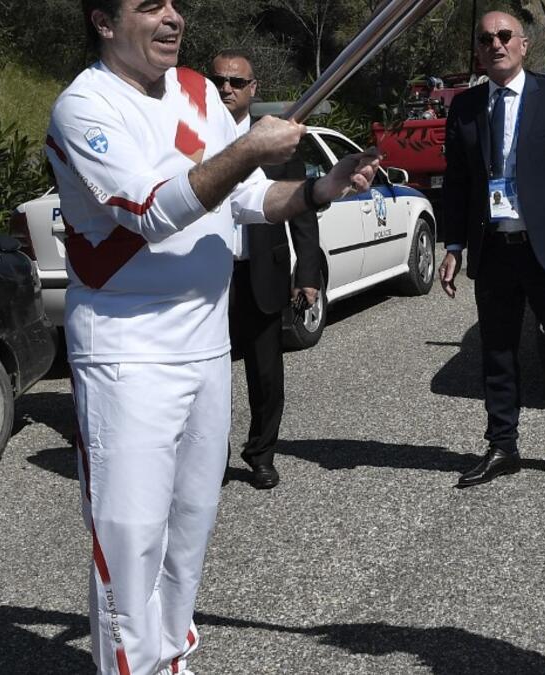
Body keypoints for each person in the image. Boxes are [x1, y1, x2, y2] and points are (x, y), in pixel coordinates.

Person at [47, 1, 377, 673]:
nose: (173, 18)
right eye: (149, 7)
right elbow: (148, 210)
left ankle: (171, 657)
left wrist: (319, 188)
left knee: (190, 527)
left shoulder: (198, 91)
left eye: (176, 6)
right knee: (130, 539)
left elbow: (250, 198)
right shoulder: (84, 108)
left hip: (204, 344)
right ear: (104, 22)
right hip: (126, 351)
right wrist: (247, 144)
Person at [439, 10, 545, 488]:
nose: (495, 44)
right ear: (478, 50)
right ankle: (503, 445)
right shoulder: (466, 107)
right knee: (496, 352)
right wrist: (453, 243)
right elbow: (456, 183)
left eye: (503, 36)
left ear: (522, 44)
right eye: (485, 38)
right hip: (494, 248)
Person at [211, 49, 325, 489]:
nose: (226, 88)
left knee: (265, 374)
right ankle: (211, 459)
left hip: (262, 272)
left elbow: (302, 214)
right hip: (212, 278)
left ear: (252, 89)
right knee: (211, 377)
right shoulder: (198, 141)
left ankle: (261, 455)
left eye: (236, 82)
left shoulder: (277, 142)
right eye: (219, 80)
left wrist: (308, 277)